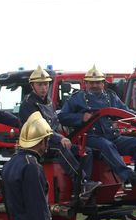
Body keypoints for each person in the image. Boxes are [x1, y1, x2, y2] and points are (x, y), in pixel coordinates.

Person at [59, 65, 136, 185]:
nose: (94, 85)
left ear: (103, 83)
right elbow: (62, 117)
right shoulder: (77, 98)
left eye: (97, 82)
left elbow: (125, 111)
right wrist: (81, 117)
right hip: (90, 138)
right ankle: (129, 177)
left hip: (113, 136)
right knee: (106, 145)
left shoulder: (111, 96)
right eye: (91, 83)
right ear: (86, 83)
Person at [19, 66, 99, 199]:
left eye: (46, 84)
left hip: (52, 141)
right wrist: (59, 138)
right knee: (60, 148)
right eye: (40, 85)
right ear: (32, 85)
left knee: (86, 151)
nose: (44, 88)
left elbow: (54, 123)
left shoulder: (48, 101)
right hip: (37, 144)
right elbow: (40, 128)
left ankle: (81, 190)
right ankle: (82, 182)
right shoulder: (28, 104)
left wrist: (64, 133)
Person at [2, 111, 60, 220]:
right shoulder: (32, 167)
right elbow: (38, 211)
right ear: (41, 141)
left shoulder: (11, 164)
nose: (47, 145)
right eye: (46, 141)